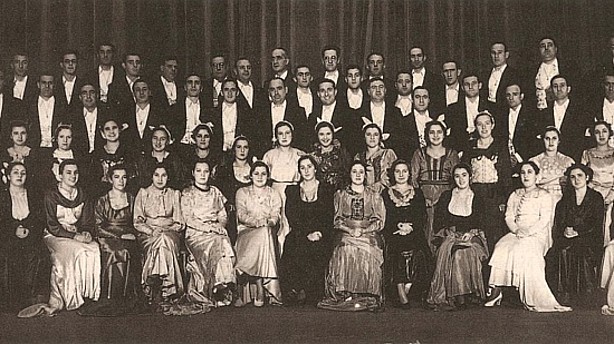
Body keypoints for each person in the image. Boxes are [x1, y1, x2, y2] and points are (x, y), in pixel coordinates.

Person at [486, 161, 571, 312]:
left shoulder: (544, 195)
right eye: (523, 172)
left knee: (523, 248)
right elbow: (509, 216)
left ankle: (533, 296)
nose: (526, 176)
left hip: (537, 234)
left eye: (530, 172)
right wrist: (516, 229)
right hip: (517, 231)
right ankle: (496, 290)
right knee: (501, 246)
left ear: (537, 176)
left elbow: (544, 219)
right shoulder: (515, 194)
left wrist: (528, 232)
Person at [18, 159, 100, 317]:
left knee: (94, 248)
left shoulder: (82, 193)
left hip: (76, 234)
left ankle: (86, 295)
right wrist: (74, 236)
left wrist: (87, 232)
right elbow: (52, 225)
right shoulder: (51, 195)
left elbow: (87, 221)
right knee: (74, 251)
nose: (73, 176)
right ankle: (69, 298)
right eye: (68, 172)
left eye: (75, 172)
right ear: (60, 175)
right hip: (55, 235)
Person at [168, 159, 236, 315]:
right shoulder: (187, 193)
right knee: (218, 242)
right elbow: (188, 219)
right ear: (193, 173)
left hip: (215, 231)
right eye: (198, 171)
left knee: (224, 241)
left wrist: (220, 225)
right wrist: (210, 228)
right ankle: (216, 286)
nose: (202, 174)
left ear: (210, 173)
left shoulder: (215, 192)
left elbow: (222, 214)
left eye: (205, 171)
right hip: (196, 234)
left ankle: (223, 286)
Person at [318, 161, 386, 312]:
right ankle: (344, 292)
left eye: (361, 172)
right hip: (346, 232)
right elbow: (337, 220)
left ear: (365, 175)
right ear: (349, 174)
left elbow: (380, 221)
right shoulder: (341, 195)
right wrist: (350, 230)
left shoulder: (374, 196)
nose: (357, 175)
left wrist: (364, 230)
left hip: (368, 233)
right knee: (345, 249)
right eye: (354, 171)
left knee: (367, 250)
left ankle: (367, 293)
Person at [427, 163, 488, 311]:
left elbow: (483, 222)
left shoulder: (478, 197)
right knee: (454, 250)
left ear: (470, 177)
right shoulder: (446, 196)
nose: (461, 179)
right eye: (457, 176)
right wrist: (450, 234)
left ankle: (468, 294)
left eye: (464, 175)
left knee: (464, 251)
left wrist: (472, 233)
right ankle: (457, 296)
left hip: (473, 237)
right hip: (450, 236)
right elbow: (439, 223)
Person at [84, 164, 142, 315]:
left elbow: (137, 221)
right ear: (110, 179)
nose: (121, 181)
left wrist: (130, 234)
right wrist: (118, 235)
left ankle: (127, 299)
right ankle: (110, 298)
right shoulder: (102, 200)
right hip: (107, 236)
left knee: (129, 250)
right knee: (116, 251)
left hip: (129, 235)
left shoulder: (132, 198)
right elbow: (98, 226)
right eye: (117, 177)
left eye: (124, 177)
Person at [281, 156, 334, 305]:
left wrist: (319, 232)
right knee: (292, 243)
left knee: (317, 246)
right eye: (302, 168)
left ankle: (309, 290)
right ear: (299, 171)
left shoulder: (326, 189)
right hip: (300, 232)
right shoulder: (292, 191)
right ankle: (294, 289)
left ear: (315, 168)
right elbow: (291, 216)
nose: (306, 170)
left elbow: (329, 215)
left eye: (309, 166)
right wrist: (306, 234)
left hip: (321, 232)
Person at [549, 164, 604, 303]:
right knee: (563, 250)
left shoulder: (596, 197)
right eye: (572, 177)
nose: (576, 179)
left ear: (587, 177)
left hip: (590, 237)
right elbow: (559, 222)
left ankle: (587, 296)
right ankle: (564, 294)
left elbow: (596, 223)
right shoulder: (565, 199)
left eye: (580, 176)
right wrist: (565, 231)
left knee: (581, 249)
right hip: (568, 237)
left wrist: (578, 232)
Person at [133, 163, 184, 310]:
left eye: (164, 175)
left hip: (170, 232)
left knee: (164, 240)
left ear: (168, 177)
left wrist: (167, 229)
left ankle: (153, 286)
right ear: (151, 176)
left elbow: (179, 222)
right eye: (156, 175)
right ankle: (167, 291)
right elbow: (137, 221)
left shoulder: (174, 194)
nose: (160, 179)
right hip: (148, 234)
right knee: (162, 243)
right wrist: (151, 231)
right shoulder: (143, 193)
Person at [381, 159, 430, 308]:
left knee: (420, 252)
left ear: (409, 173)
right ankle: (401, 293)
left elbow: (422, 215)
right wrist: (398, 226)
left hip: (413, 231)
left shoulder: (418, 192)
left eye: (404, 171)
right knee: (396, 251)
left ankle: (406, 288)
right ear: (393, 174)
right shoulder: (385, 193)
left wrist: (411, 226)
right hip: (393, 232)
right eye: (397, 171)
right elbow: (384, 216)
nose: (401, 174)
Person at [0, 162, 48, 311]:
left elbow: (39, 218)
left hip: (30, 234)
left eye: (23, 173)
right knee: (8, 255)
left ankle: (33, 298)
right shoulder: (3, 195)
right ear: (8, 176)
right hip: (7, 235)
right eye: (15, 172)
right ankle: (10, 301)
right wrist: (15, 230)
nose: (19, 176)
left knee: (40, 255)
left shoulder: (33, 195)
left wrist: (28, 230)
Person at [234, 161, 283, 307]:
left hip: (266, 230)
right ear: (251, 176)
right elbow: (241, 215)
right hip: (246, 231)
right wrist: (257, 222)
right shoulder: (242, 192)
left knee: (265, 233)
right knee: (263, 233)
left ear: (268, 176)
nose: (260, 177)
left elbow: (276, 215)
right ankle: (261, 288)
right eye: (256, 173)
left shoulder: (273, 193)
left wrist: (269, 222)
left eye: (263, 174)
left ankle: (258, 284)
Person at [461, 111, 511, 252]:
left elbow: (505, 176)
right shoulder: (470, 146)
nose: (484, 128)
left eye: (487, 123)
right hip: (475, 195)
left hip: (494, 196)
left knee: (494, 233)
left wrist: (503, 200)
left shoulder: (500, 146)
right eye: (479, 124)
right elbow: (464, 171)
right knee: (475, 231)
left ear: (493, 125)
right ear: (475, 127)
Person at [411, 120, 460, 254]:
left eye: (439, 132)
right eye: (432, 132)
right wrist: (420, 199)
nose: (435, 135)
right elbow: (413, 179)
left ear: (444, 134)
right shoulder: (419, 154)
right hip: (423, 199)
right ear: (427, 135)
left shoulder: (451, 154)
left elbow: (457, 179)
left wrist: (447, 200)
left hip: (446, 198)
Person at [262, 121, 306, 249]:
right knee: (278, 225)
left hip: (295, 191)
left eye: (287, 133)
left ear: (292, 135)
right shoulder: (269, 155)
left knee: (292, 224)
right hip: (276, 191)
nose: (284, 136)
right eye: (280, 134)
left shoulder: (299, 154)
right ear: (276, 136)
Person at [213, 136, 253, 244]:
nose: (242, 150)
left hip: (250, 212)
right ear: (234, 149)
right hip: (231, 213)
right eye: (239, 147)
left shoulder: (254, 169)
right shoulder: (225, 170)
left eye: (246, 147)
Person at [581, 121, 614, 245]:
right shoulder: (587, 153)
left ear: (609, 133)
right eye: (597, 132)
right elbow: (583, 176)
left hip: (611, 195)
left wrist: (610, 196)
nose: (601, 135)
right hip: (592, 194)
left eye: (604, 131)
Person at [31, 123, 86, 192]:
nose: (65, 140)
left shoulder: (79, 157)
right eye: (61, 136)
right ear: (56, 138)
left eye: (68, 137)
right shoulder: (47, 157)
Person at [529, 126, 574, 206]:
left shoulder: (568, 161)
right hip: (540, 199)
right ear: (543, 140)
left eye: (554, 138)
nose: (551, 142)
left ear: (559, 141)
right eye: (547, 138)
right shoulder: (535, 161)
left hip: (562, 200)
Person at [135, 125, 186, 190]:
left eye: (162, 139)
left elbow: (179, 182)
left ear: (167, 141)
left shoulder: (174, 160)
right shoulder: (144, 160)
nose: (158, 142)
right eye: (155, 138)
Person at [354, 122, 398, 194]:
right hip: (364, 195)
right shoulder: (358, 157)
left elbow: (395, 176)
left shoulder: (388, 153)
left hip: (386, 194)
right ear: (364, 137)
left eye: (376, 134)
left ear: (380, 137)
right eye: (368, 134)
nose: (372, 137)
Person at [309, 121, 351, 190]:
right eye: (321, 134)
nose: (325, 137)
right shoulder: (313, 156)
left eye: (328, 134)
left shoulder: (342, 153)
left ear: (333, 135)